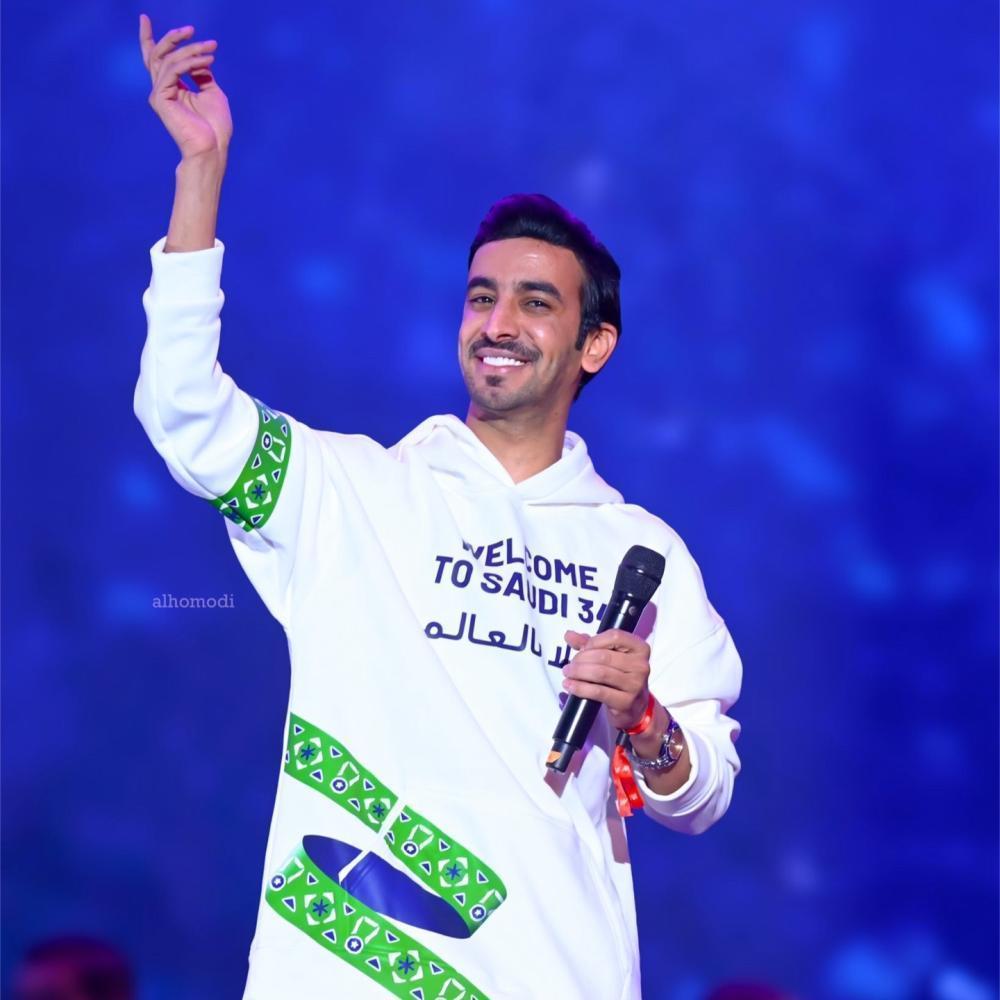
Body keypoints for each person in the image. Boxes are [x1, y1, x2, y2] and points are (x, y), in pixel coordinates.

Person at [135, 15, 743, 1000]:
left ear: (594, 345)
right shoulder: (350, 491)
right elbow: (183, 410)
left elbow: (704, 790)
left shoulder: (644, 554)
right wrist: (200, 172)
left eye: (535, 303)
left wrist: (644, 719)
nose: (497, 323)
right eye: (480, 296)